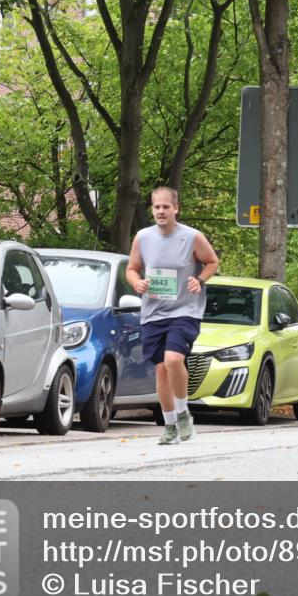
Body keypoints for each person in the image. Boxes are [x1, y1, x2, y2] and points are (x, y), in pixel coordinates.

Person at [127, 187, 219, 445]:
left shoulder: (191, 237)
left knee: (173, 359)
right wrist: (137, 283)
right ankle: (169, 426)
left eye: (166, 207)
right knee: (161, 371)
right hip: (154, 313)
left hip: (185, 311)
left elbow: (212, 261)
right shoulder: (143, 237)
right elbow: (132, 269)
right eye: (156, 207)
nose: (160, 211)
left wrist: (199, 280)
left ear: (175, 209)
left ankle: (183, 414)